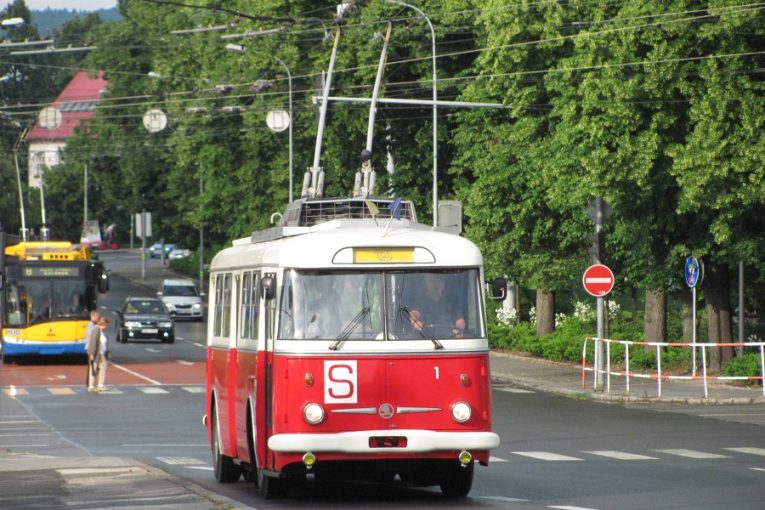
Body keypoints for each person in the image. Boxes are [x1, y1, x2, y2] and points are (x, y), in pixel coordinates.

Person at [407, 273, 465, 338]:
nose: (436, 284)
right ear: (426, 282)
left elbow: (459, 321)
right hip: (425, 339)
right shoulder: (420, 301)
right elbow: (414, 316)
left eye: (439, 280)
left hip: (448, 340)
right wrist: (415, 320)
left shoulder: (450, 301)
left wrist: (459, 329)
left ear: (443, 283)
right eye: (432, 280)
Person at [87, 317, 111, 392]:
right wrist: (92, 353)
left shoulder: (101, 331)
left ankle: (92, 386)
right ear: (103, 324)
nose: (106, 327)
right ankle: (99, 385)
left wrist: (107, 351)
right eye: (106, 325)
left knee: (95, 368)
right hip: (97, 353)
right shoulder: (96, 330)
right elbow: (93, 342)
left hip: (100, 352)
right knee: (99, 367)